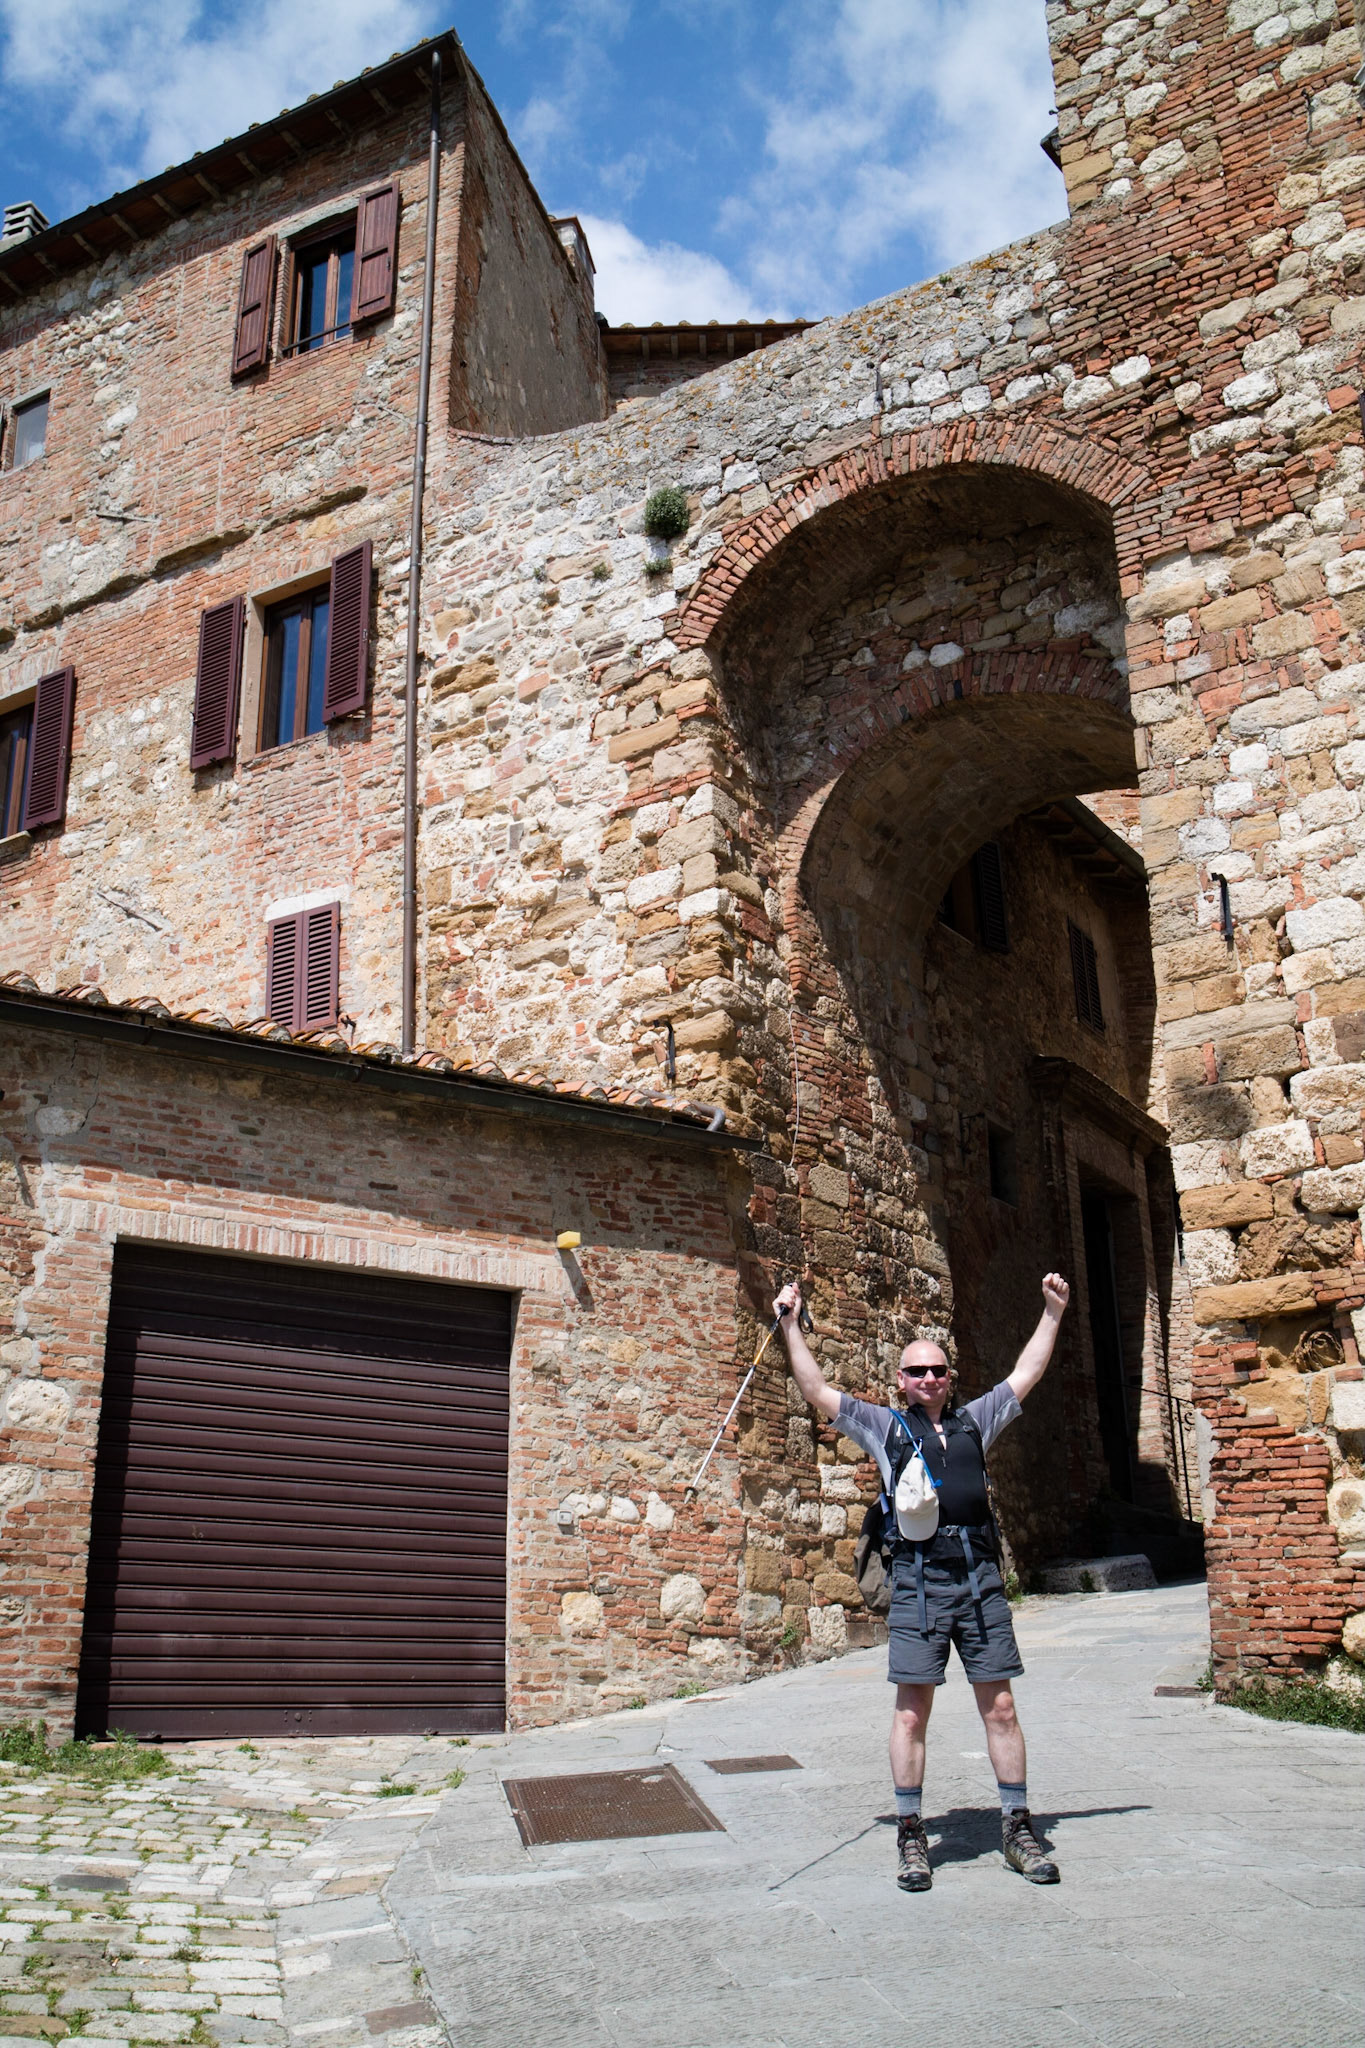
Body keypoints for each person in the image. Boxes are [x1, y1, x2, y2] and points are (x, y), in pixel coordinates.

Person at [774, 1272, 1071, 1893]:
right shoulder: (884, 1427)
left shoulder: (974, 1422)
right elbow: (815, 1389)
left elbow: (1028, 1373)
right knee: (912, 1713)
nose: (930, 1379)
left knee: (1002, 1706)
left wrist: (1051, 1311)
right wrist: (789, 1323)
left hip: (980, 1578)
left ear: (948, 1377)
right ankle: (912, 1833)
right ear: (902, 1382)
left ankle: (1017, 1826)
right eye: (918, 1372)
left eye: (938, 1370)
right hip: (919, 1580)